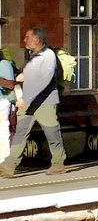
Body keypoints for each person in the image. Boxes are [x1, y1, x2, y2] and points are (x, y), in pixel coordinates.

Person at [0, 27, 66, 176]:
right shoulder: (32, 55)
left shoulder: (48, 55)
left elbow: (45, 81)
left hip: (45, 102)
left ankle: (58, 162)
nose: (24, 40)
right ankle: (9, 165)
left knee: (51, 132)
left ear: (37, 40)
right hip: (30, 102)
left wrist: (25, 98)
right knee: (21, 132)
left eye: (27, 37)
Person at [0, 47, 15, 164]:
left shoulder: (4, 64)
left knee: (3, 132)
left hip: (2, 103)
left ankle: (4, 161)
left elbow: (10, 84)